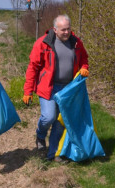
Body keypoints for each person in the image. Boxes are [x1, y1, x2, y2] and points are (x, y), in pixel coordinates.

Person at [23, 14, 89, 162]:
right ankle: (40, 135)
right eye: (63, 30)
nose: (66, 32)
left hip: (67, 89)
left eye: (68, 29)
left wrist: (84, 67)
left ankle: (54, 154)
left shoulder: (76, 43)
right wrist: (28, 91)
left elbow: (84, 58)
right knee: (48, 117)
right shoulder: (43, 43)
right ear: (55, 29)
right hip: (48, 87)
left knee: (60, 121)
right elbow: (32, 67)